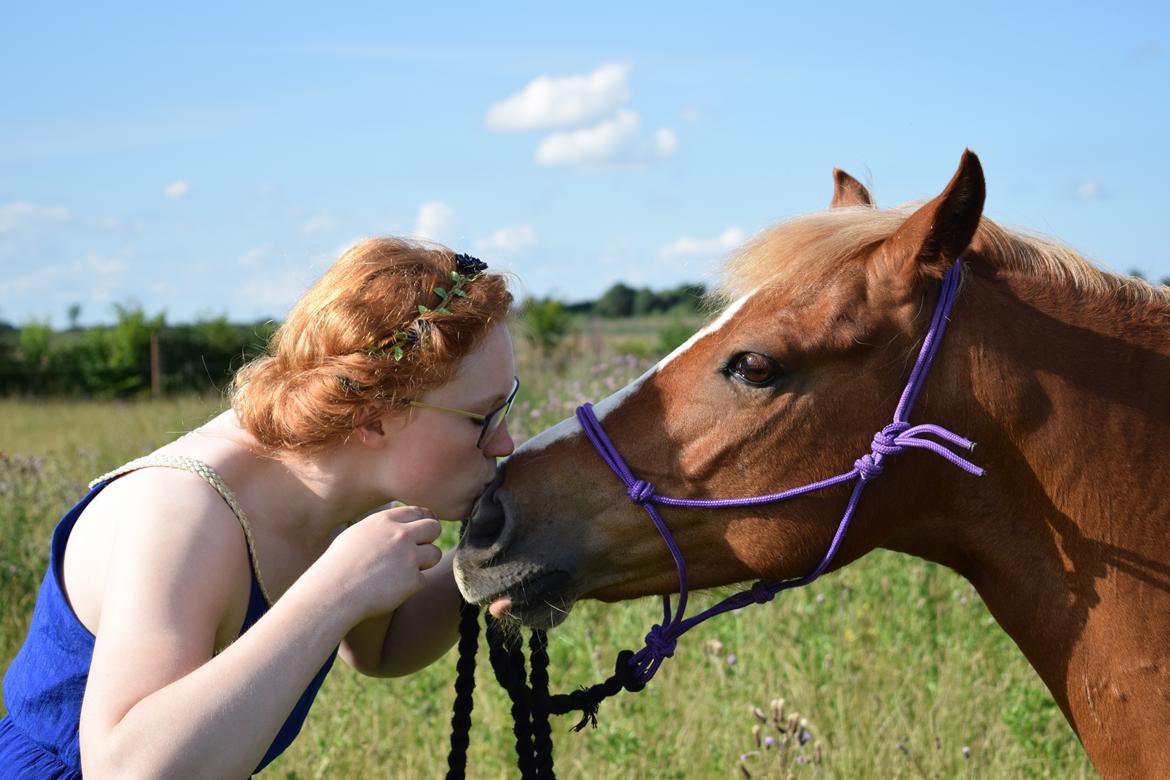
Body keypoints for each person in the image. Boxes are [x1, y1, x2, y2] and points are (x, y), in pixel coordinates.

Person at [0, 238, 518, 778]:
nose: (503, 442)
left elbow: (382, 647)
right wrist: (335, 590)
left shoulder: (332, 484)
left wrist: (502, 549)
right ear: (374, 416)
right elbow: (128, 770)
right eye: (481, 417)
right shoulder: (185, 513)